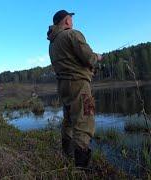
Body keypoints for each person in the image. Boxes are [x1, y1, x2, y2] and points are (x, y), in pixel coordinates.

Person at [47, 10, 103, 168]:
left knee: (69, 121)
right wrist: (97, 57)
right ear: (66, 21)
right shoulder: (72, 34)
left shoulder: (52, 43)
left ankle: (67, 155)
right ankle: (81, 168)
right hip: (79, 85)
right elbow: (89, 58)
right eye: (70, 18)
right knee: (85, 121)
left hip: (63, 86)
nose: (72, 21)